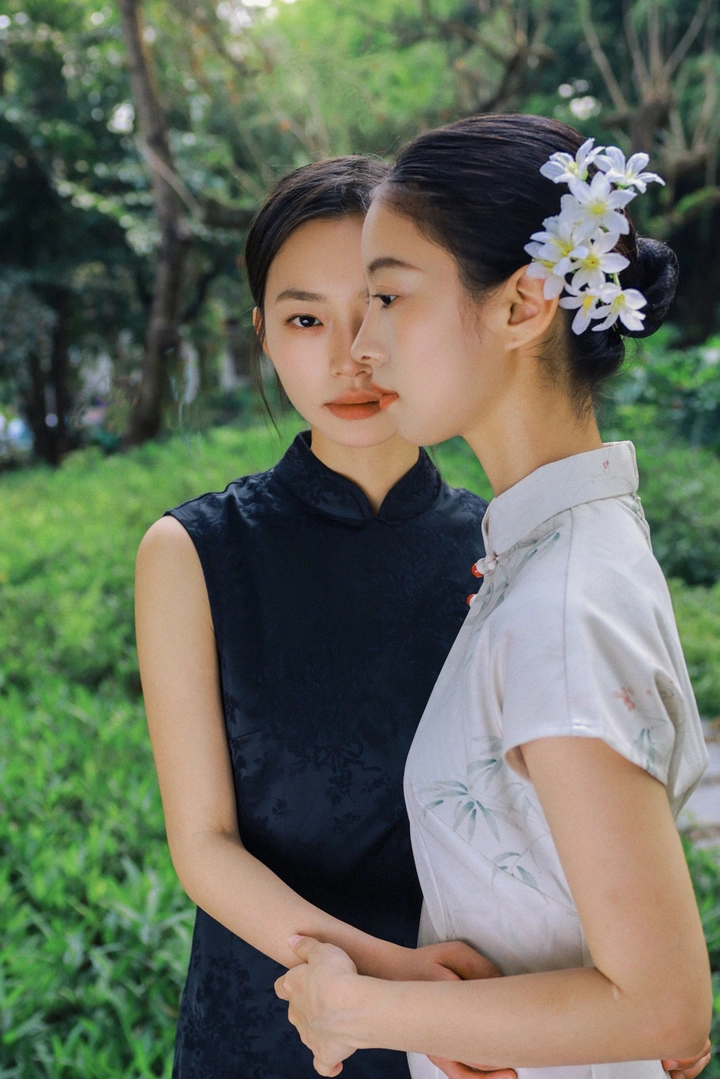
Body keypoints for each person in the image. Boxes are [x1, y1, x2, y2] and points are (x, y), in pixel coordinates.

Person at [273, 117, 714, 1079]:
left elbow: (664, 1005)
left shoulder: (559, 602)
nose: (362, 344)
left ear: (523, 305)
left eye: (388, 295)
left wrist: (355, 1008)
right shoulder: (545, 553)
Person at [135, 156, 514, 1079]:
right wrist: (402, 981)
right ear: (263, 334)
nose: (352, 354)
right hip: (276, 1016)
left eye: (382, 303)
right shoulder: (194, 551)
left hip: (485, 1023)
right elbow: (204, 846)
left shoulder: (508, 543)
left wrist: (627, 991)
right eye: (306, 319)